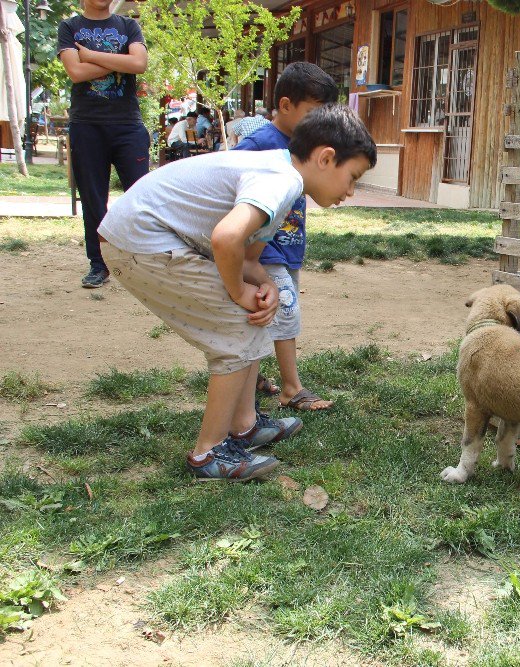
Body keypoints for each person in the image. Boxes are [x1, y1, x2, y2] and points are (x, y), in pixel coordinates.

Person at [97, 104, 377, 480]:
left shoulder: (281, 174)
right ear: (327, 158)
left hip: (141, 236)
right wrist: (237, 292)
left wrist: (264, 287)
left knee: (255, 313)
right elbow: (226, 238)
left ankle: (244, 425)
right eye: (353, 177)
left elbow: (247, 257)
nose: (352, 191)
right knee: (237, 322)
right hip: (140, 239)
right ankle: (207, 453)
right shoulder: (282, 180)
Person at [233, 62, 339, 411]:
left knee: (266, 313)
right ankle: (292, 389)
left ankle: (256, 377)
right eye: (312, 113)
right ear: (285, 105)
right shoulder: (260, 143)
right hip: (261, 250)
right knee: (286, 310)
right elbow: (229, 181)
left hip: (290, 245)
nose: (319, 123)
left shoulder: (304, 144)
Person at [57, 0, 150, 289]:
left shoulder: (128, 26)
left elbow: (140, 64)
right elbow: (76, 72)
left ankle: (146, 262)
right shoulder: (69, 27)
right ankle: (99, 265)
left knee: (143, 197)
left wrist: (91, 56)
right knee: (93, 200)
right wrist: (118, 60)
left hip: (127, 125)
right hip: (87, 125)